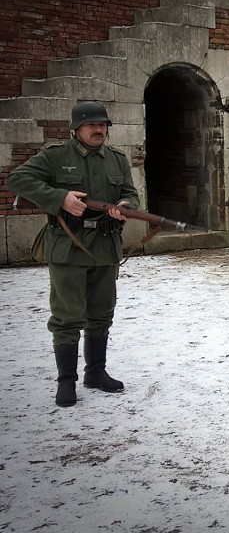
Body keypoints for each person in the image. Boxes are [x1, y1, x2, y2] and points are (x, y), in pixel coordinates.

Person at [6, 100, 140, 407]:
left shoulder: (117, 159)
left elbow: (129, 193)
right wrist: (59, 198)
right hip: (67, 246)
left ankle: (96, 372)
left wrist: (126, 206)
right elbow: (17, 179)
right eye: (92, 125)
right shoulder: (55, 156)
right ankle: (66, 381)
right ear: (75, 129)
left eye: (103, 124)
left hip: (105, 247)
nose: (98, 129)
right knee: (67, 316)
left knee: (101, 313)